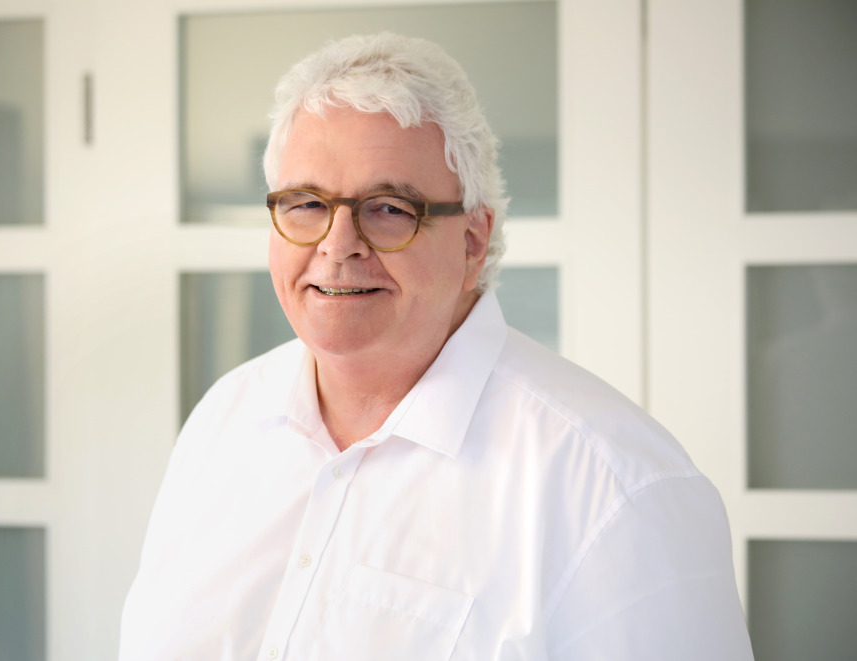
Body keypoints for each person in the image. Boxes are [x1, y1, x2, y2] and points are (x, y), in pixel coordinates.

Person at [119, 33, 754, 660]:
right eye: (306, 203)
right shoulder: (224, 418)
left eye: (389, 209)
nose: (337, 246)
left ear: (473, 241)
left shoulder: (615, 487)